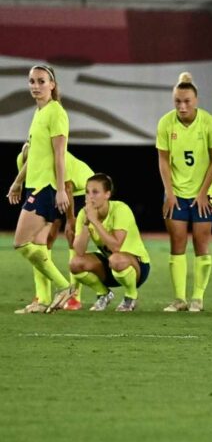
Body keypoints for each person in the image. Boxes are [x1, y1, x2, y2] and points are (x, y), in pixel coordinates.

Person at [9, 65, 76, 314]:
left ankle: (64, 287)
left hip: (47, 188)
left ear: (52, 84)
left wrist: (60, 190)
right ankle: (43, 300)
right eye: (32, 81)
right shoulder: (40, 112)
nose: (35, 86)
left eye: (41, 81)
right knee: (37, 246)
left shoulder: (56, 113)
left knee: (21, 243)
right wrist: (17, 182)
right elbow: (33, 156)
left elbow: (60, 156)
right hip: (34, 185)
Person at [158, 72, 212, 313]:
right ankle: (179, 299)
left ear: (196, 100)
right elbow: (163, 161)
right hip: (177, 193)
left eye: (187, 101)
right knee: (177, 244)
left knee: (201, 243)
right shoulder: (166, 123)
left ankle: (198, 297)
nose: (182, 106)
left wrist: (203, 192)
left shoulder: (208, 123)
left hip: (203, 193)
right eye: (178, 101)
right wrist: (169, 193)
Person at [9, 145, 94, 312]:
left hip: (80, 189)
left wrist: (70, 220)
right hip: (52, 190)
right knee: (44, 239)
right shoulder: (22, 160)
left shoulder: (58, 157)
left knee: (72, 238)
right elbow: (33, 186)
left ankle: (74, 298)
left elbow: (68, 187)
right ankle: (43, 296)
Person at [69, 173, 151, 312]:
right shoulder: (84, 214)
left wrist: (94, 221)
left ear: (107, 194)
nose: (90, 197)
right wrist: (86, 223)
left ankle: (131, 296)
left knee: (117, 259)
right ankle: (104, 294)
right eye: (87, 192)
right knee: (75, 263)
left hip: (136, 267)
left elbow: (115, 246)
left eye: (95, 192)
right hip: (110, 265)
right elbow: (79, 250)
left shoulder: (120, 209)